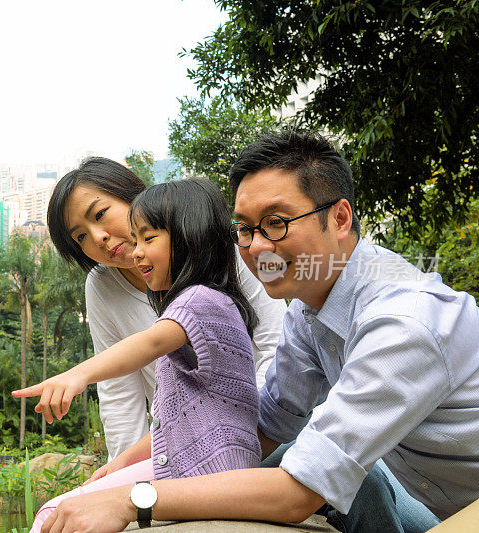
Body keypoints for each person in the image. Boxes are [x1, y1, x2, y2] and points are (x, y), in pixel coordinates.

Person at [35, 130, 478, 533]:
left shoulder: (402, 321)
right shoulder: (311, 310)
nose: (256, 246)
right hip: (429, 502)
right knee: (344, 475)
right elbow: (266, 420)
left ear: (340, 219)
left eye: (276, 222)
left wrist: (135, 500)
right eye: (244, 229)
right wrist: (134, 463)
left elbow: (302, 488)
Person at [16, 179, 262, 532]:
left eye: (148, 239)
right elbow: (177, 421)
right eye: (80, 237)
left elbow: (147, 344)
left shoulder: (201, 301)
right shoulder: (187, 301)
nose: (137, 252)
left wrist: (77, 375)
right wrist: (121, 463)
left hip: (210, 470)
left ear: (188, 237)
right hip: (186, 459)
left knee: (54, 513)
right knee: (62, 509)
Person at [46, 157, 287, 460]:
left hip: (261, 432)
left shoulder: (217, 252)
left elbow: (276, 344)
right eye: (80, 236)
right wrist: (121, 473)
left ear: (132, 195)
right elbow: (119, 394)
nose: (98, 237)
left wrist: (248, 431)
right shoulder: (101, 286)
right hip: (185, 447)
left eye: (100, 214)